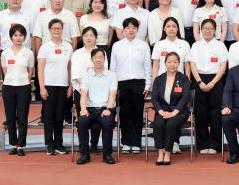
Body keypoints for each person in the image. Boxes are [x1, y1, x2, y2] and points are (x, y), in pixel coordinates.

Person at [110, 17, 152, 153]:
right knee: (124, 113)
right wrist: (113, 86)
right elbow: (112, 68)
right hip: (121, 83)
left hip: (139, 83)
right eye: (128, 28)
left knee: (137, 113)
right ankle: (126, 143)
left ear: (137, 30)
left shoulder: (143, 45)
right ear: (123, 30)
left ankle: (136, 143)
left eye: (134, 28)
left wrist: (148, 85)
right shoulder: (117, 46)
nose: (131, 30)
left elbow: (148, 66)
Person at [187, 19, 228, 155]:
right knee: (200, 113)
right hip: (199, 80)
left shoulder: (220, 46)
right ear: (201, 30)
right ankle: (203, 144)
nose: (208, 30)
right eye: (205, 28)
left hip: (216, 80)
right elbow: (192, 65)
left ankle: (216, 144)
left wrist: (213, 82)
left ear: (215, 30)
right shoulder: (196, 45)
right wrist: (199, 82)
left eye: (210, 28)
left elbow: (223, 66)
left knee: (216, 113)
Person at [75, 48, 118, 165]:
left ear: (104, 59)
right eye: (96, 57)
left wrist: (108, 109)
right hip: (90, 109)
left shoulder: (112, 75)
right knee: (82, 121)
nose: (98, 60)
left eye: (101, 57)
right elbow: (83, 93)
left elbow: (113, 93)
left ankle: (107, 154)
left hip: (106, 109)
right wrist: (83, 109)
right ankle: (84, 154)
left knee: (108, 123)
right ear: (92, 60)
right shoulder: (86, 76)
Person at [37, 19, 72, 156]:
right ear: (49, 30)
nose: (57, 30)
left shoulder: (68, 46)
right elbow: (40, 68)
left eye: (59, 28)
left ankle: (59, 143)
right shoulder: (45, 47)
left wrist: (70, 86)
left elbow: (70, 68)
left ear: (62, 29)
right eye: (54, 28)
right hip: (49, 86)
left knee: (59, 117)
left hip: (63, 85)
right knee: (49, 117)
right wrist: (42, 87)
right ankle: (49, 144)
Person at [151, 52, 192, 165]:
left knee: (170, 124)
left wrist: (174, 112)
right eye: (169, 62)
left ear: (179, 63)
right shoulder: (159, 79)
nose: (172, 64)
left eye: (175, 62)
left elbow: (185, 98)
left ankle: (168, 153)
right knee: (158, 124)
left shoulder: (184, 79)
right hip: (162, 111)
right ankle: (160, 153)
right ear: (165, 63)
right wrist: (160, 111)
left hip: (179, 112)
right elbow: (154, 98)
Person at [1, 24, 34, 156]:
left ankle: (21, 145)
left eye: (21, 35)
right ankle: (13, 145)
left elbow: (30, 71)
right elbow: (5, 71)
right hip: (8, 86)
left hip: (24, 86)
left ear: (24, 37)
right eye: (15, 35)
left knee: (22, 117)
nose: (18, 38)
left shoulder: (29, 53)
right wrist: (12, 80)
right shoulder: (5, 53)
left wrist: (24, 81)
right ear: (11, 37)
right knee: (10, 117)